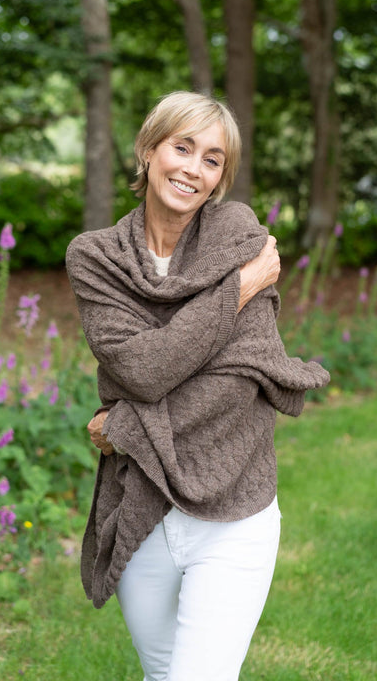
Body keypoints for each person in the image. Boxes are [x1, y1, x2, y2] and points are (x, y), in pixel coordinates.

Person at [66, 91, 330, 681]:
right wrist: (236, 291)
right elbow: (141, 370)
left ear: (219, 179)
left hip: (234, 512)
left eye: (212, 159)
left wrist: (126, 424)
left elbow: (240, 381)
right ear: (148, 149)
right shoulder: (97, 257)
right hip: (142, 507)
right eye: (182, 147)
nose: (193, 167)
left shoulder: (237, 234)